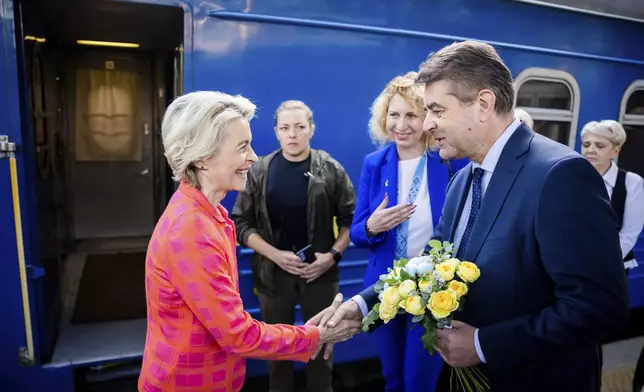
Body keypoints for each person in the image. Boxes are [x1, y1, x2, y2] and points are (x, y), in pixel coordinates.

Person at [308, 41, 630, 392]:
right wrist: (362, 306)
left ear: (483, 104)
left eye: (436, 110)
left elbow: (599, 308)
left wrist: (483, 344)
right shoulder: (464, 178)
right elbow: (430, 264)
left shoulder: (561, 175)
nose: (427, 124)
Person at [138, 91, 360, 392]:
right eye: (242, 147)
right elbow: (237, 334)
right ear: (203, 157)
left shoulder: (209, 213)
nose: (253, 157)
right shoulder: (191, 229)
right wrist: (315, 336)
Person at [349, 71, 465, 391]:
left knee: (419, 382)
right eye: (394, 114)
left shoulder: (448, 162)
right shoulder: (375, 163)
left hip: (432, 289)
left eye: (412, 115)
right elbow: (357, 233)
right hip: (384, 288)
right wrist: (373, 226)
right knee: (393, 379)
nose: (401, 125)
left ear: (428, 118)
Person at [231, 100, 356, 392]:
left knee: (321, 352)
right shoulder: (259, 170)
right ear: (276, 132)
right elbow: (240, 223)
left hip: (320, 277)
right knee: (277, 356)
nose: (293, 134)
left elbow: (351, 220)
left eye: (300, 127)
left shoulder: (330, 169)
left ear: (311, 129)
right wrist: (275, 256)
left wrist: (332, 256)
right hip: (273, 279)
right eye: (285, 128)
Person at [580, 120, 644, 272]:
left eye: (599, 146)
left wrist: (599, 264)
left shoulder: (631, 182)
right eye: (586, 144)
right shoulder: (573, 177)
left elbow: (629, 234)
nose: (591, 150)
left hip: (611, 268)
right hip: (573, 264)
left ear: (616, 150)